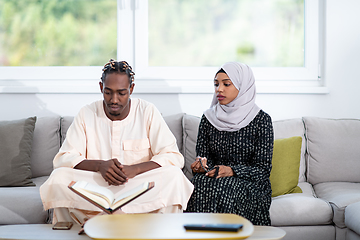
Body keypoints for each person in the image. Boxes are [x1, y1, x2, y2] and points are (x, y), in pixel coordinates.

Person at [40, 59, 194, 225]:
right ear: (101, 88)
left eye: (121, 93)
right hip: (97, 187)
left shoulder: (147, 111)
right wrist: (100, 166)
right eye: (108, 92)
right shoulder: (87, 113)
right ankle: (73, 231)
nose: (114, 100)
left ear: (131, 89)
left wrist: (135, 169)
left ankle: (109, 222)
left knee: (174, 176)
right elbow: (64, 158)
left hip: (137, 186)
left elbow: (172, 156)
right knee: (59, 177)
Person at [186, 62, 273, 226]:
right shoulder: (208, 118)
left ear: (243, 86)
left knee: (227, 188)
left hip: (249, 183)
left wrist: (232, 171)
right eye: (216, 84)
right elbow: (204, 156)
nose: (219, 89)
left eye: (226, 84)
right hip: (216, 178)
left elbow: (262, 170)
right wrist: (201, 165)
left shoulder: (262, 120)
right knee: (196, 184)